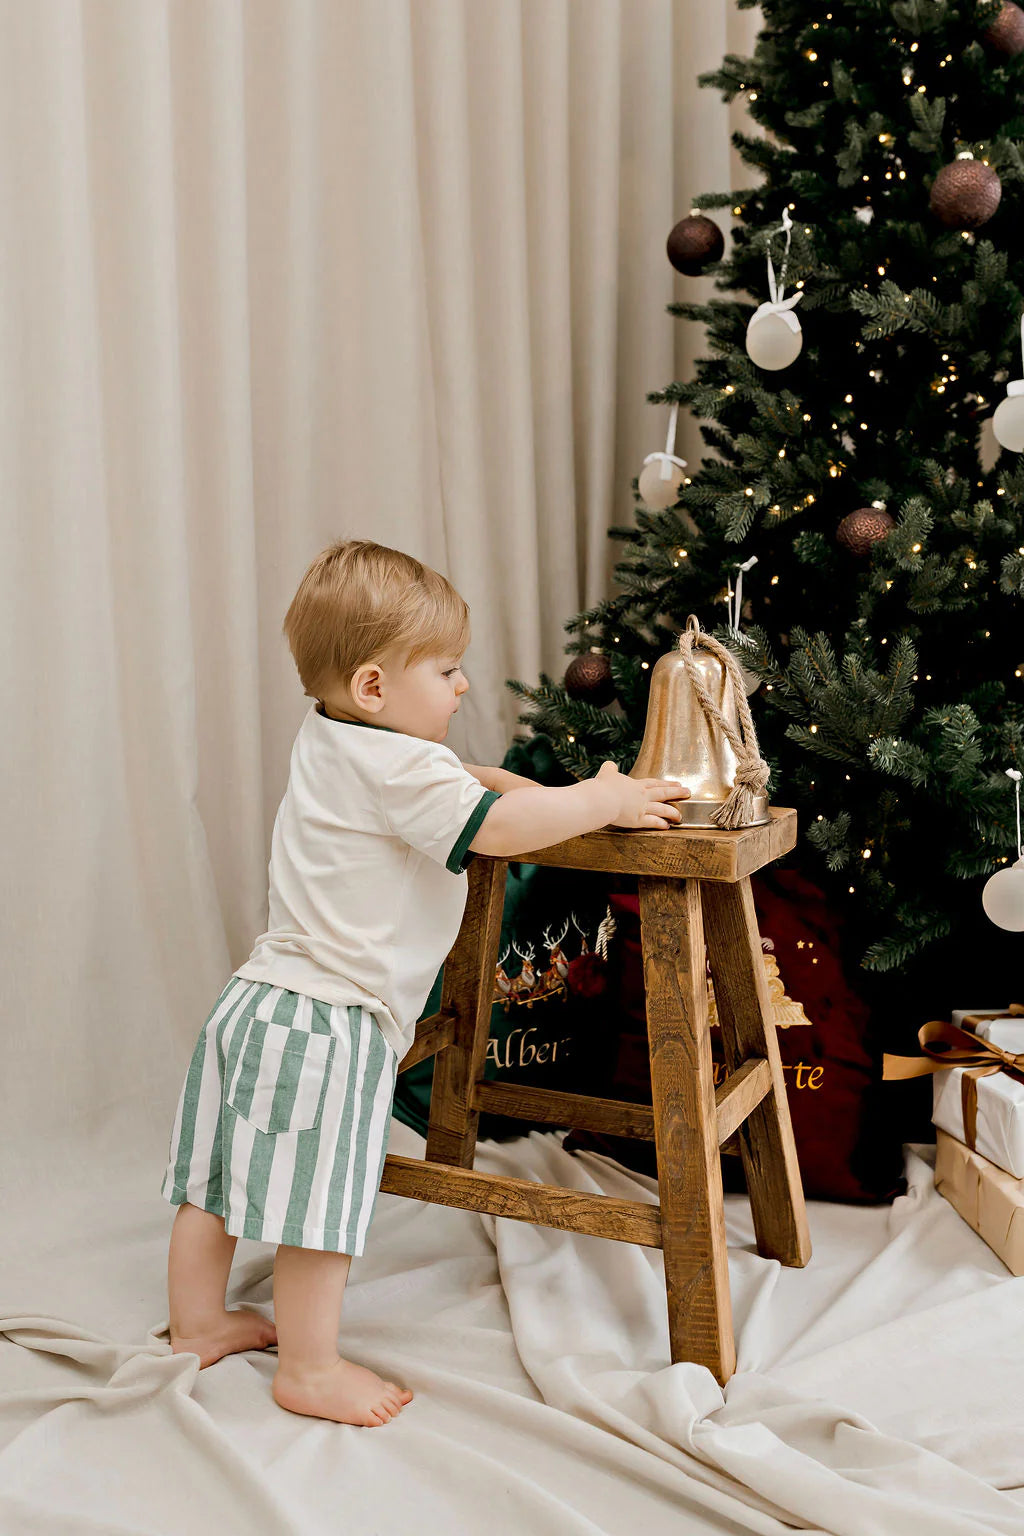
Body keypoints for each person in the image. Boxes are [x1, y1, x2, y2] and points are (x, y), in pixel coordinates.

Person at [160, 537, 691, 1427]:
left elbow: (430, 790)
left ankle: (197, 1323)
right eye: (447, 670)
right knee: (317, 1205)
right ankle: (312, 1366)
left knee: (213, 1180)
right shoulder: (403, 767)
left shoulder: (330, 735)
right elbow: (498, 828)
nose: (463, 686)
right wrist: (606, 800)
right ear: (374, 688)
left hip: (254, 1002)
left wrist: (471, 777)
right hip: (330, 1024)